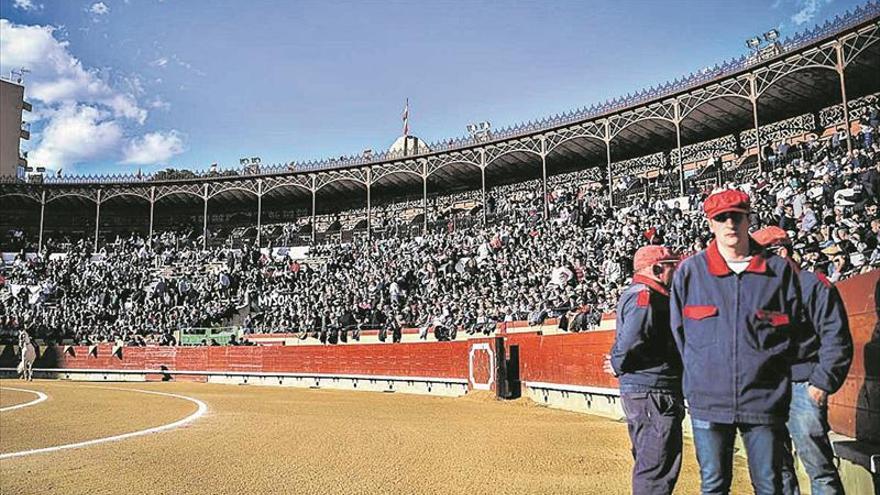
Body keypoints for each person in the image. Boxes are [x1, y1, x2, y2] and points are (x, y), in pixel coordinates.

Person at [670, 189, 805, 494]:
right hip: (708, 400)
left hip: (764, 399)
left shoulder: (778, 270)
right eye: (721, 218)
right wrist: (700, 374)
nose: (730, 223)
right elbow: (679, 334)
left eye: (736, 216)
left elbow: (796, 330)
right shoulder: (690, 272)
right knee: (714, 486)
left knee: (770, 486)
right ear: (711, 224)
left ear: (748, 220)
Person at [752, 226, 852, 495]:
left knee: (819, 468)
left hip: (803, 385)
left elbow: (836, 339)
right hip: (767, 390)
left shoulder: (813, 285)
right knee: (775, 469)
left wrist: (820, 385)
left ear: (781, 252)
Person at [605, 245, 684, 495]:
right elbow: (632, 339)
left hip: (648, 391)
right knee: (655, 468)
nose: (676, 270)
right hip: (653, 391)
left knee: (653, 462)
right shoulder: (646, 295)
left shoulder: (647, 294)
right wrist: (618, 363)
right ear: (657, 268)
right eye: (672, 265)